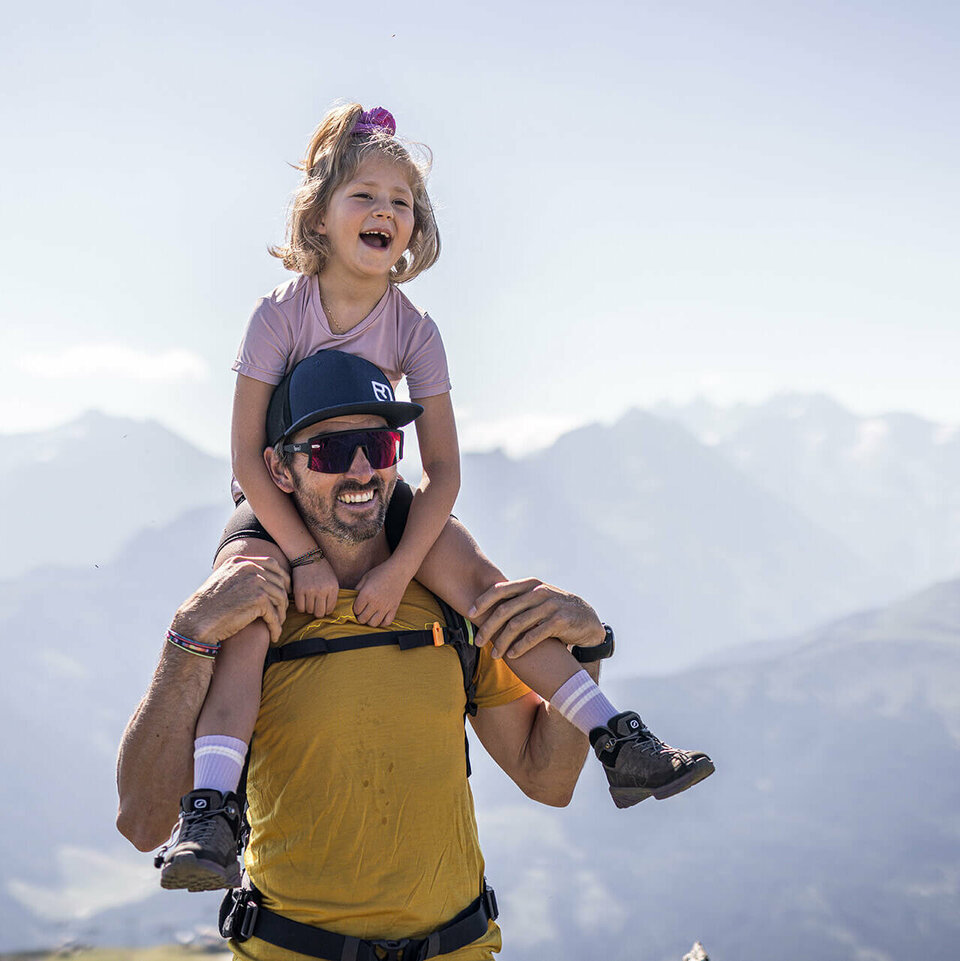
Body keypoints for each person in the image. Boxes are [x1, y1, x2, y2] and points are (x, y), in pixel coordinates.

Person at [177, 103, 714, 891]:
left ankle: (616, 739)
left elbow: (445, 472)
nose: (385, 211)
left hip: (376, 484)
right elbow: (246, 458)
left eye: (401, 201)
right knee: (250, 618)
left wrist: (402, 570)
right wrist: (294, 553)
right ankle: (212, 812)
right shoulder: (278, 316)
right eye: (365, 194)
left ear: (414, 228)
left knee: (486, 589)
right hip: (278, 496)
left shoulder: (415, 330)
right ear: (320, 217)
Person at [117, 353, 619, 960]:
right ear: (277, 470)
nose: (361, 470)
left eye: (379, 447)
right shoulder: (244, 613)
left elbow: (549, 779)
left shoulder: (453, 604)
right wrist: (188, 633)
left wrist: (586, 649)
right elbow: (145, 824)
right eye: (330, 451)